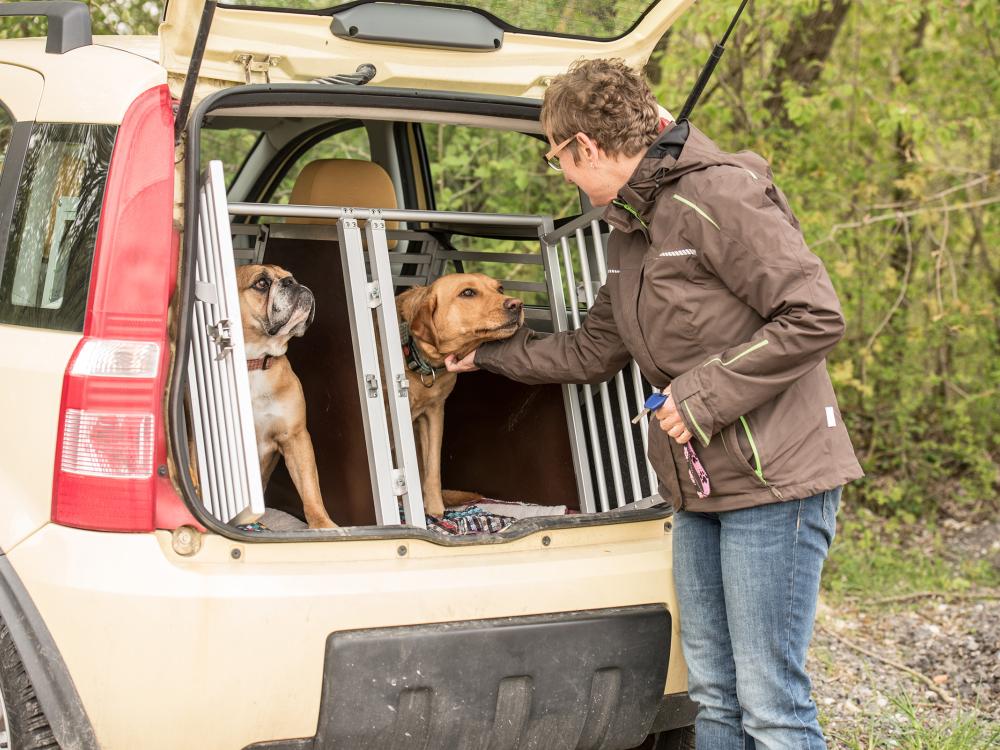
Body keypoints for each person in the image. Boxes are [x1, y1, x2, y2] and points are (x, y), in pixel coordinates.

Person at [446, 58, 864, 748]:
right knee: (714, 698)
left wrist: (699, 397)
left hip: (777, 484)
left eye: (558, 160)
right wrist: (486, 358)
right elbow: (591, 350)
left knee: (770, 703)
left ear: (583, 146)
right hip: (699, 487)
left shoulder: (719, 196)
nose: (564, 177)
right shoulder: (630, 230)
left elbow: (814, 316)